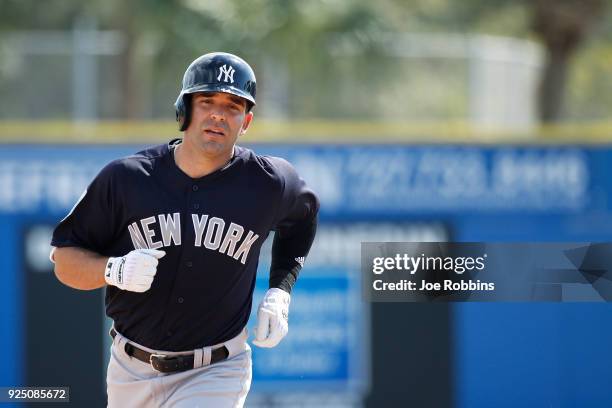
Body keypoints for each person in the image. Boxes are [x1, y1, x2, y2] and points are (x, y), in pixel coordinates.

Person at [49, 52, 319, 407]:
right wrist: (113, 269)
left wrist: (281, 290)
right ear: (184, 109)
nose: (219, 114)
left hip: (216, 371)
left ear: (247, 121)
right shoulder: (127, 179)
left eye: (233, 105)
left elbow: (302, 218)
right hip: (129, 370)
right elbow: (65, 261)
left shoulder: (270, 182)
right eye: (206, 101)